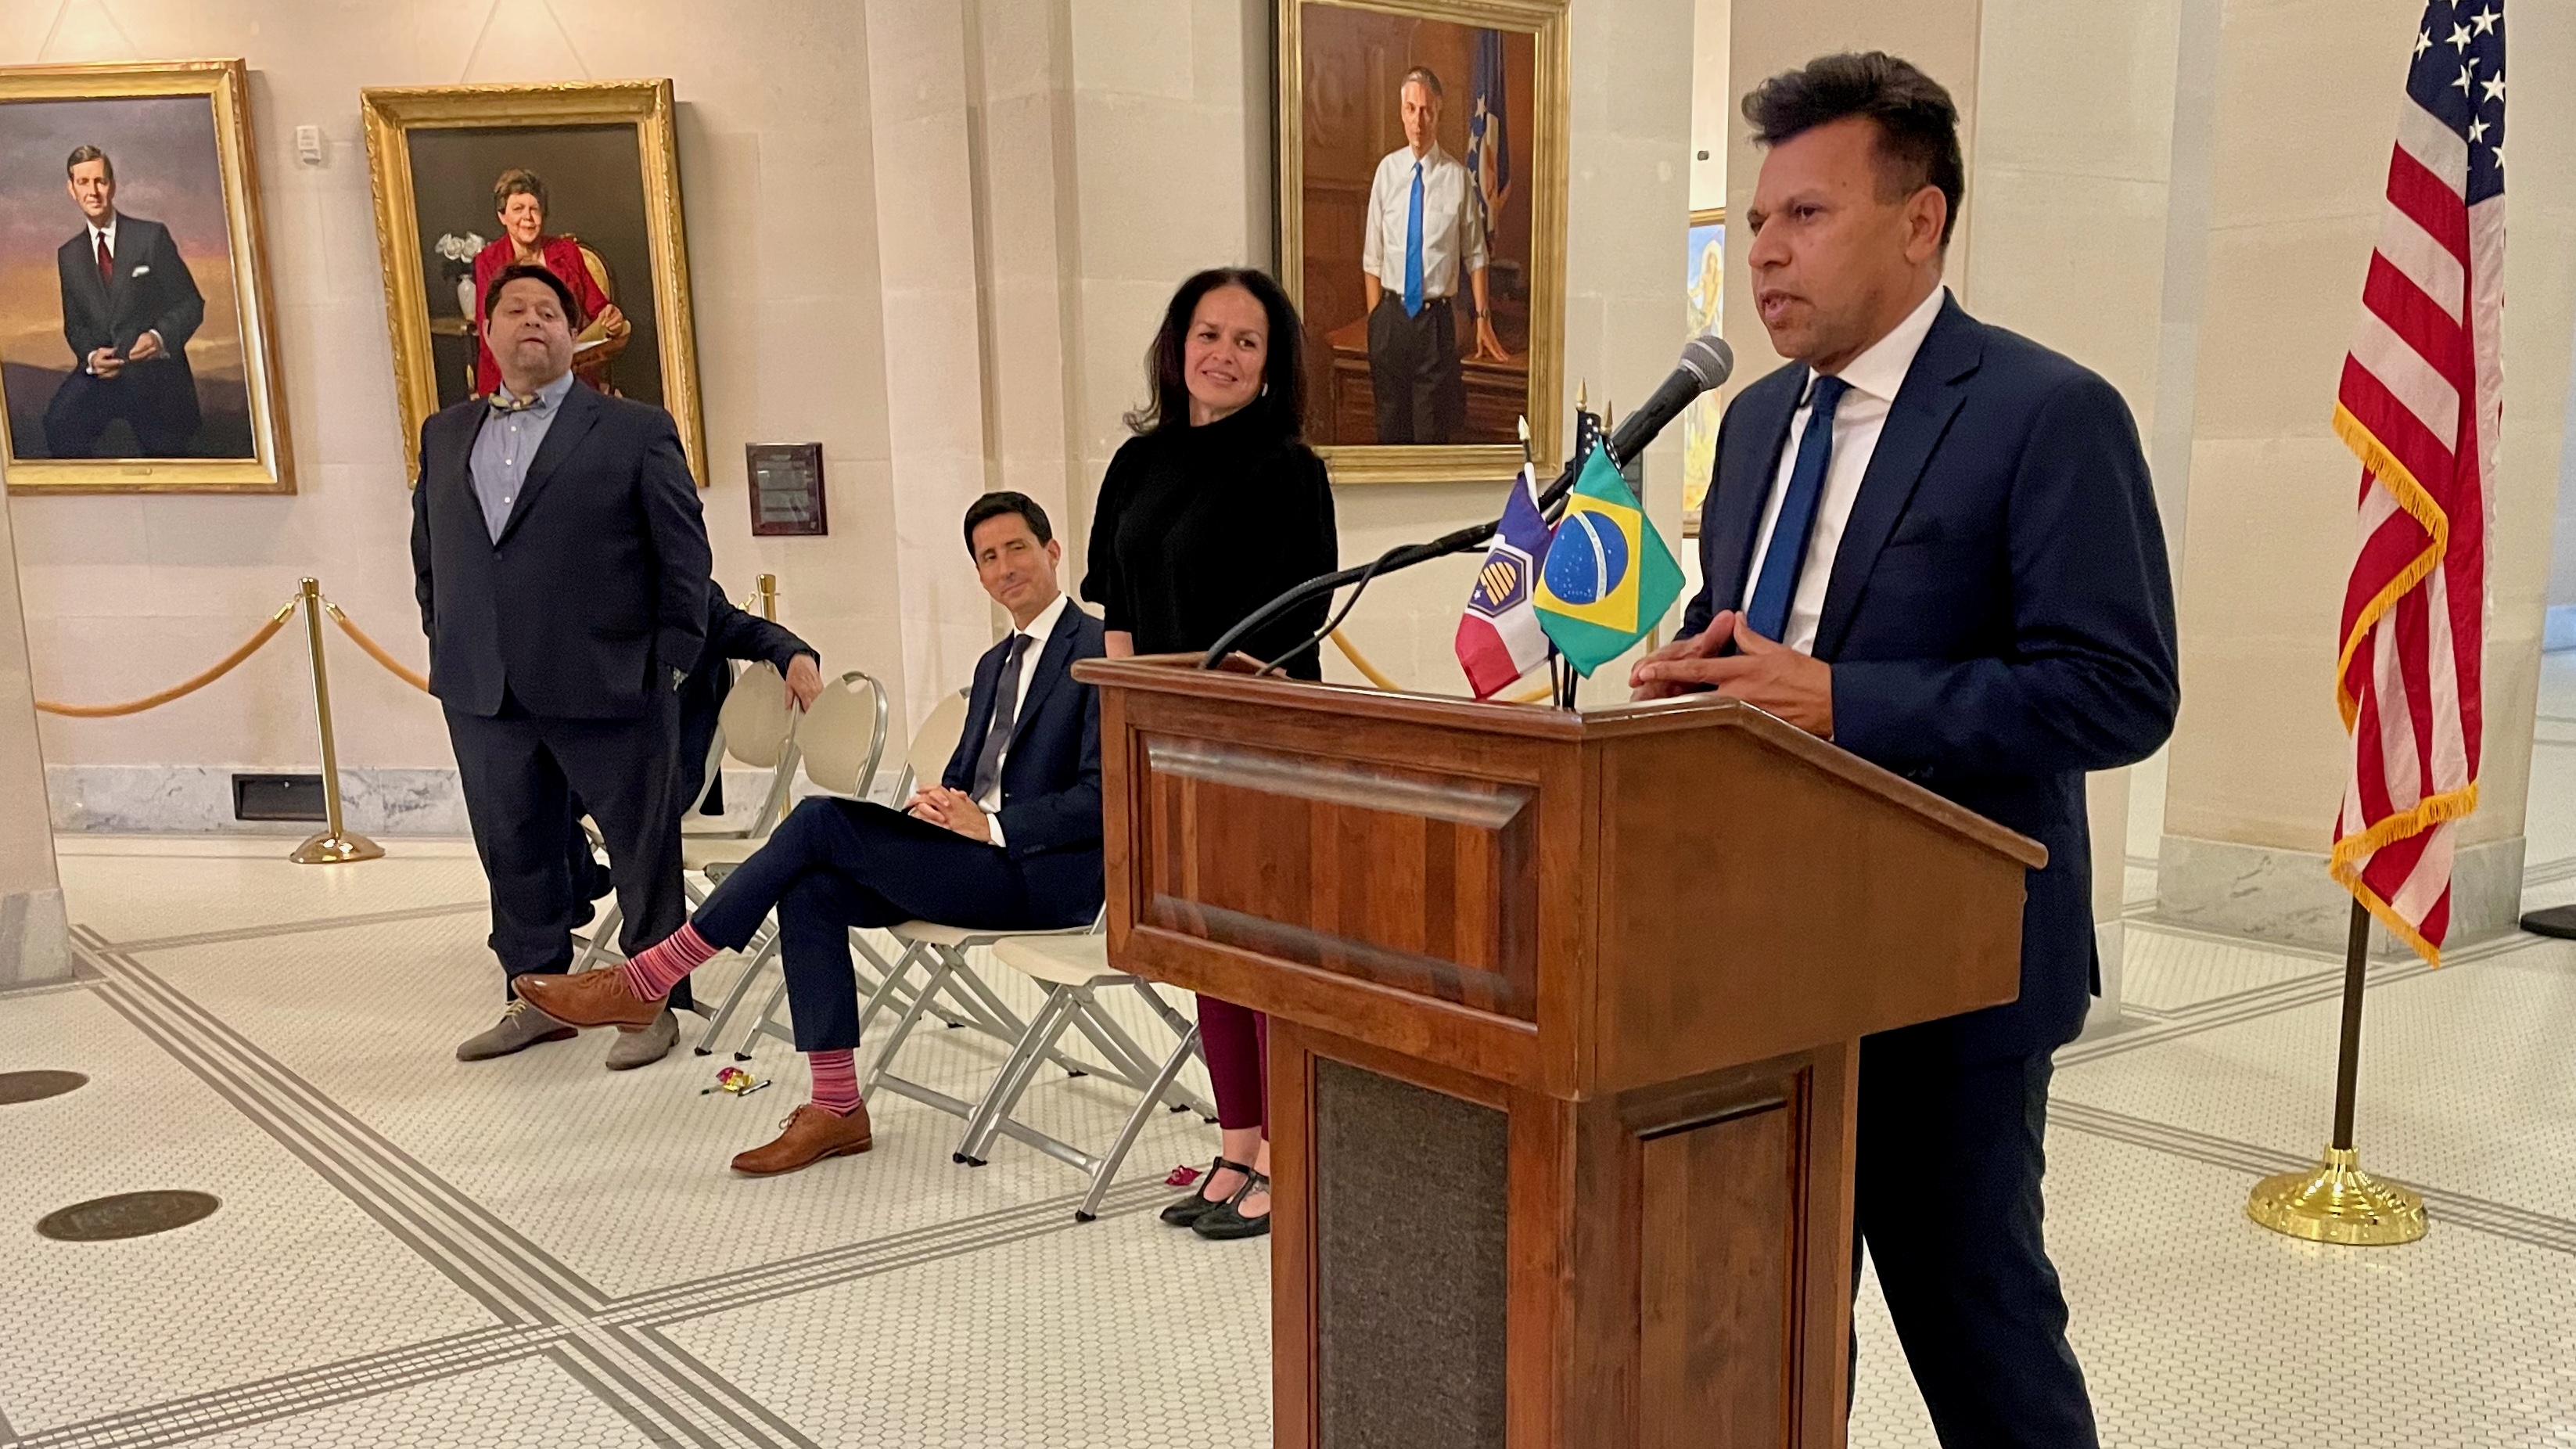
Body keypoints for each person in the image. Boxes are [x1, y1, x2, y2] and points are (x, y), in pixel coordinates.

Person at [1628, 53, 2177, 1448]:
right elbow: (1766, 629)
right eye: (1756, 221)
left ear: (1918, 221)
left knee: (1975, 1323)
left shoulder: (2043, 414)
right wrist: (1700, 660)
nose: (1762, 253)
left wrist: (1843, 700)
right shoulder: (1755, 422)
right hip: (1757, 967)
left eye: (1803, 216)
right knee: (1780, 1319)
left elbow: (2115, 690)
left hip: (1954, 974)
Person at [519, 492, 1107, 1177]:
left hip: (1042, 877)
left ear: (1052, 552)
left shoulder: (1097, 651)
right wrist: (943, 806)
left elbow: (1107, 799)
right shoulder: (993, 663)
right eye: (988, 557)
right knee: (812, 887)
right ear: (977, 574)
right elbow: (968, 775)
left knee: (820, 820)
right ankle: (836, 1107)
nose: (1005, 567)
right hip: (971, 858)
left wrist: (996, 824)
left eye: (1017, 549)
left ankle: (651, 973)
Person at [1083, 268, 1338, 1239]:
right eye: (1208, 334)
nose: (1222, 355)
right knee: (1208, 956)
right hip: (1167, 744)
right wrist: (1126, 739)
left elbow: (1298, 617)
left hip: (1260, 747)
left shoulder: (1287, 468)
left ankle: (1287, 1155)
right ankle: (1236, 1143)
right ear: (1176, 345)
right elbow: (1118, 615)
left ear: (1270, 367)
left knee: (1266, 957)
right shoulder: (1135, 467)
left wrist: (1211, 706)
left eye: (1245, 341)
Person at [411, 262, 713, 1066]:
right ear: (489, 331)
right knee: (512, 846)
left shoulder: (633, 430)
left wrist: (672, 658)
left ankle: (651, 1004)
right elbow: (430, 554)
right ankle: (533, 992)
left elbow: (683, 553)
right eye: (515, 310)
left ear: (574, 334)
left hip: (610, 679)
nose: (532, 322)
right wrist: (448, 637)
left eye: (549, 311)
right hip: (485, 688)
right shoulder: (444, 434)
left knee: (642, 851)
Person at [555, 585, 824, 1068]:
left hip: (665, 768)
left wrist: (794, 653)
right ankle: (574, 897)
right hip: (604, 759)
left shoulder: (684, 591)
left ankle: (650, 988)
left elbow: (746, 629)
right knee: (532, 797)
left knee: (603, 804)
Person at [1360, 67, 1507, 444]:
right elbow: (1372, 257)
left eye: (1426, 110)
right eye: (1411, 109)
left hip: (1435, 326)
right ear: (1401, 112)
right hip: (1391, 321)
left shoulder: (1457, 178)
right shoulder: (1387, 172)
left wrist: (1482, 318)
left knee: (1430, 438)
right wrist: (1378, 319)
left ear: (1439, 112)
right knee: (1389, 437)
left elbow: (1476, 254)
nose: (1418, 121)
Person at [42, 145, 207, 458]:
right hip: (101, 379)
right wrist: (91, 357)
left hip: (155, 375)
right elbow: (75, 325)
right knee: (58, 425)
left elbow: (190, 304)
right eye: (83, 183)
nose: (93, 191)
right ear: (71, 189)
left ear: (112, 185)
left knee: (169, 448)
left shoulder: (151, 237)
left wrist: (158, 338)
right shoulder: (69, 255)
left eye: (100, 181)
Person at [469, 168, 630, 397]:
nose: (528, 217)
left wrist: (610, 316)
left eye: (534, 209)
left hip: (572, 375)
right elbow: (490, 337)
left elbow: (600, 308)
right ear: (502, 216)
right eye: (518, 209)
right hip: (512, 382)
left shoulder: (567, 252)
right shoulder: (488, 261)